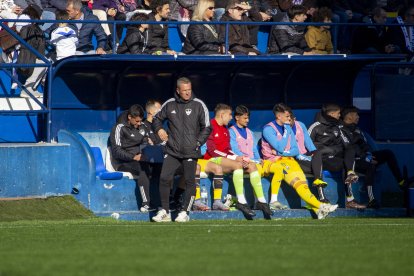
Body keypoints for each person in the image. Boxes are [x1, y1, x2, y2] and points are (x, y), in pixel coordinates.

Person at [261, 103, 338, 219]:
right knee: (298, 184)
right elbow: (280, 146)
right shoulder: (268, 129)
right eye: (287, 116)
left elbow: (295, 149)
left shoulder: (288, 127)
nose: (289, 119)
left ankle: (318, 211)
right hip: (276, 162)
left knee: (302, 185)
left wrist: (283, 152)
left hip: (290, 160)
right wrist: (285, 139)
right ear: (279, 117)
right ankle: (321, 206)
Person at [151, 77, 211, 222]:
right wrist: (159, 130)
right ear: (178, 90)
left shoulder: (199, 105)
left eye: (189, 90)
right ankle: (164, 211)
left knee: (190, 181)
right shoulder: (169, 104)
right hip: (172, 150)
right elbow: (156, 119)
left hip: (191, 151)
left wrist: (197, 142)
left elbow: (207, 128)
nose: (187, 93)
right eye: (184, 91)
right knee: (165, 178)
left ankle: (185, 212)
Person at [205, 103, 273, 220]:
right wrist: (235, 158)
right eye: (230, 115)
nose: (231, 117)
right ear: (222, 115)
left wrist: (240, 157)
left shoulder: (225, 129)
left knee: (251, 166)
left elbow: (228, 150)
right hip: (212, 159)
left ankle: (261, 201)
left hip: (225, 159)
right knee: (237, 165)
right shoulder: (210, 126)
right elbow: (212, 150)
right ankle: (241, 201)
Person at [341, 106, 407, 208]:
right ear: (349, 116)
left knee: (387, 153)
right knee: (369, 166)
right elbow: (349, 148)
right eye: (356, 115)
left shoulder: (358, 129)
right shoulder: (341, 129)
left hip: (365, 156)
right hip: (352, 160)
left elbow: (365, 145)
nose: (358, 117)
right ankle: (371, 199)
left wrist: (369, 155)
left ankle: (401, 182)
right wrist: (365, 158)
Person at [308, 103, 365, 209]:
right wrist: (323, 149)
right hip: (320, 159)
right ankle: (321, 198)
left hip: (334, 158)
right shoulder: (316, 126)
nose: (340, 116)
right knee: (318, 153)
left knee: (349, 151)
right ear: (332, 113)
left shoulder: (338, 127)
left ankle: (350, 198)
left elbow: (346, 143)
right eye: (338, 113)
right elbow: (307, 145)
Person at [229, 105, 279, 209]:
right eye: (245, 118)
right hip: (241, 163)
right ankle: (258, 201)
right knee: (257, 169)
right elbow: (234, 151)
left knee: (276, 168)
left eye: (248, 118)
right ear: (237, 118)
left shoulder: (250, 132)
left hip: (253, 161)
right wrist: (252, 160)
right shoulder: (231, 131)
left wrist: (258, 159)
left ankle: (268, 201)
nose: (248, 120)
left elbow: (254, 150)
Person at [109, 104, 153, 213]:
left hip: (140, 159)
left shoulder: (142, 126)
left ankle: (166, 202)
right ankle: (146, 204)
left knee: (160, 166)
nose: (139, 124)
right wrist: (133, 157)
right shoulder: (118, 128)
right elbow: (116, 151)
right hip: (122, 162)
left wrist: (149, 149)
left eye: (140, 121)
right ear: (130, 117)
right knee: (143, 168)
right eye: (137, 121)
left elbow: (145, 142)